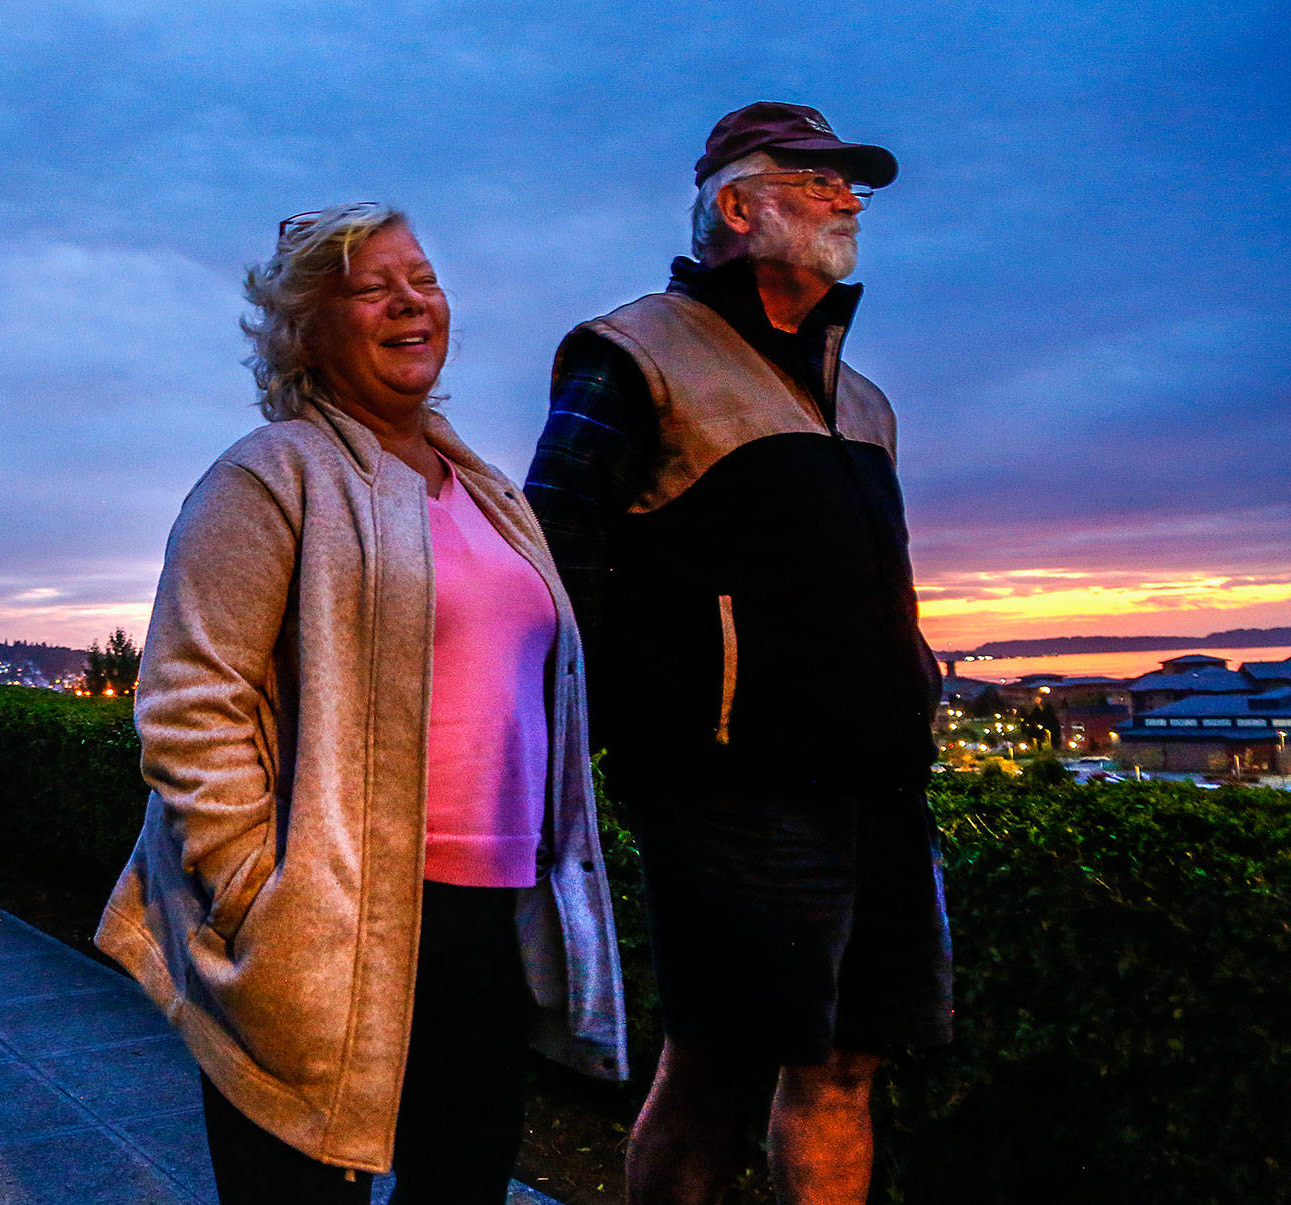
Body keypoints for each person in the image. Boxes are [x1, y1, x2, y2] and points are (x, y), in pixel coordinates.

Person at [95, 203, 626, 1203]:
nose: (408, 300)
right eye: (370, 286)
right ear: (303, 329)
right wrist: (260, 893)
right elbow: (187, 696)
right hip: (326, 920)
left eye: (421, 278)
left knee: (460, 1184)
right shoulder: (268, 475)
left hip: (486, 914)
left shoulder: (490, 494)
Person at [523, 103, 952, 1204]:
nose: (849, 200)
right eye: (819, 182)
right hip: (724, 787)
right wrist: (560, 766)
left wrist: (914, 677)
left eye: (852, 184)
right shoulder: (632, 353)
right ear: (736, 204)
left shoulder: (860, 400)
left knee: (847, 1059)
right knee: (716, 1063)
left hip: (876, 782)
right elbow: (551, 564)